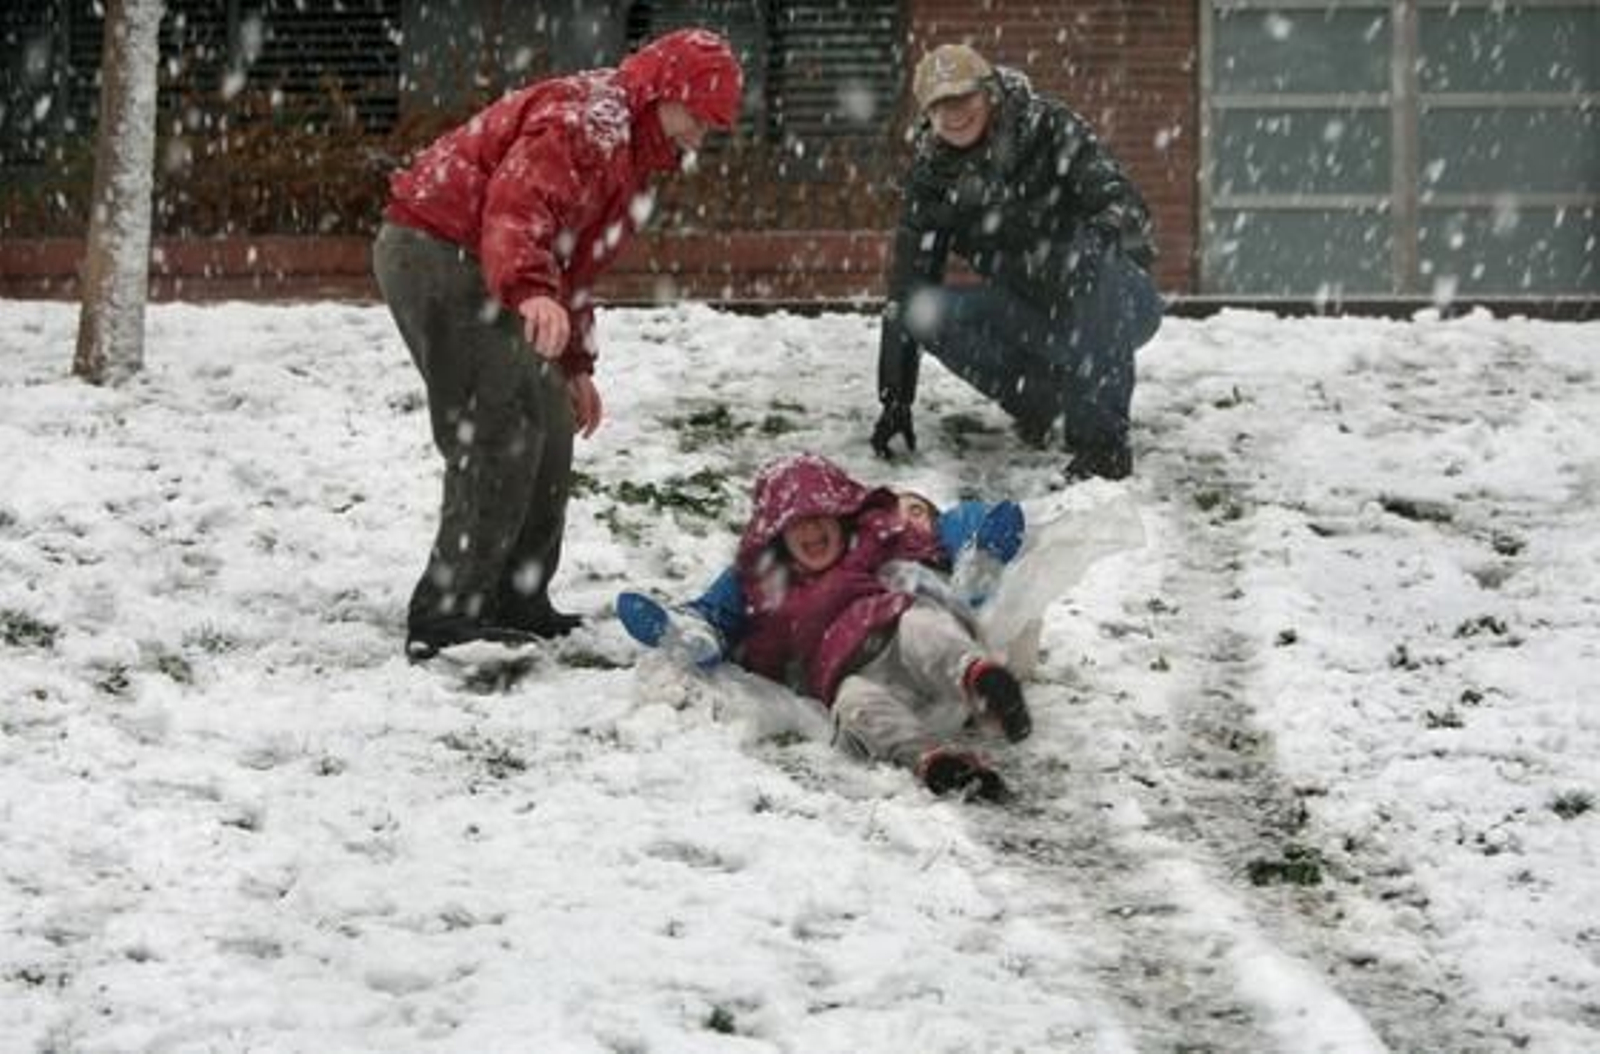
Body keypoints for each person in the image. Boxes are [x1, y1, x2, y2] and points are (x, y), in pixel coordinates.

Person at [372, 30, 743, 661]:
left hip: (499, 267)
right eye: (698, 118)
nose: (698, 137)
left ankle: (518, 596)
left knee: (549, 422)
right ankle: (448, 616)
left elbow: (575, 260)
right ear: (664, 92)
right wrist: (529, 289)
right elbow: (517, 207)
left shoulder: (633, 157)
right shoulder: (587, 120)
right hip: (439, 250)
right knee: (497, 429)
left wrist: (574, 367)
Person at [633, 454, 1032, 801]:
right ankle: (933, 760)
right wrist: (697, 634)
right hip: (846, 672)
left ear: (841, 513)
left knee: (922, 630)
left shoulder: (877, 537)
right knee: (856, 707)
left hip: (894, 625)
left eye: (819, 518)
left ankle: (981, 680)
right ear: (776, 534)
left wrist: (981, 551)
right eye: (795, 525)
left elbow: (967, 522)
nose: (810, 532)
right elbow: (721, 609)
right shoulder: (769, 581)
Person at [870, 43, 1164, 481]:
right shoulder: (933, 178)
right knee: (920, 311)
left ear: (989, 93)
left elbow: (1122, 200)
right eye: (939, 104)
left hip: (1115, 300)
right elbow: (907, 286)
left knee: (1092, 258)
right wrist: (896, 399)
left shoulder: (1049, 126)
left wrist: (1103, 232)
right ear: (925, 114)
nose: (953, 114)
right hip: (1027, 307)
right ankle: (1045, 407)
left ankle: (1101, 445)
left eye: (962, 98)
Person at [617, 490, 1025, 668]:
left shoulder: (942, 539)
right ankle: (700, 630)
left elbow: (960, 519)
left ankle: (980, 569)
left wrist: (963, 545)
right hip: (848, 619)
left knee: (968, 522)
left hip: (930, 608)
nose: (904, 515)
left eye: (917, 509)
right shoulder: (860, 547)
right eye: (894, 509)